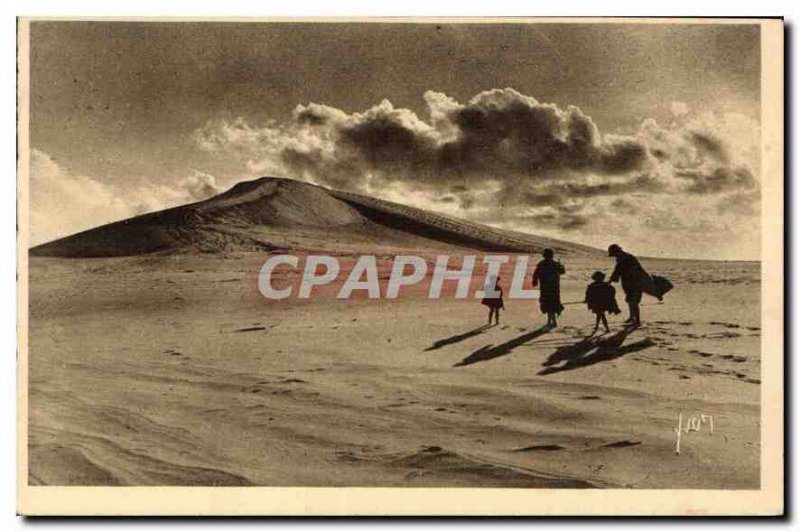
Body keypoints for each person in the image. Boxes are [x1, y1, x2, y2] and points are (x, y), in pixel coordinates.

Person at [608, 244, 645, 327]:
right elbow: (617, 270)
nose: (614, 256)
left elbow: (619, 270)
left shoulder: (627, 258)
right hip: (628, 282)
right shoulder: (621, 258)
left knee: (633, 301)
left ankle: (637, 320)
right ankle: (632, 317)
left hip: (635, 282)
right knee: (630, 300)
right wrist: (611, 279)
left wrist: (611, 279)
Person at [532, 248, 565, 328]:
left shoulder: (541, 264)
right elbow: (562, 272)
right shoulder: (555, 264)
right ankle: (552, 321)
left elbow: (536, 274)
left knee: (547, 304)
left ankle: (551, 321)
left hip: (545, 288)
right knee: (553, 304)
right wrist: (561, 266)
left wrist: (535, 281)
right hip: (554, 288)